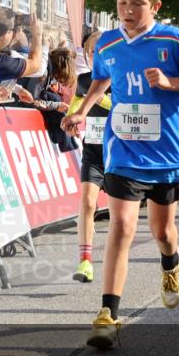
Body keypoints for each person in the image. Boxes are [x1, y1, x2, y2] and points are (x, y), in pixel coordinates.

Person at [61, 0, 179, 349]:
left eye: (138, 3)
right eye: (122, 2)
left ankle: (171, 261)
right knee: (122, 227)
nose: (128, 10)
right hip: (124, 150)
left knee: (162, 232)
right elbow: (101, 77)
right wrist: (82, 111)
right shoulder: (108, 44)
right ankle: (107, 315)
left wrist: (172, 84)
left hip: (165, 153)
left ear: (156, 4)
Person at [70, 30, 109, 284]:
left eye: (103, 51)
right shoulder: (83, 80)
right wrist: (71, 118)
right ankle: (85, 261)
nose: (98, 56)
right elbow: (74, 104)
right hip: (93, 149)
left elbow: (119, 107)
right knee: (87, 202)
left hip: (121, 153)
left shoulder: (121, 79)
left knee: (120, 215)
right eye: (93, 52)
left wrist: (97, 98)